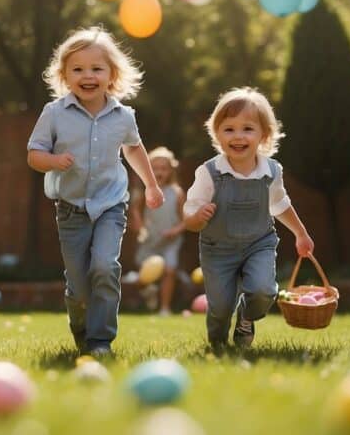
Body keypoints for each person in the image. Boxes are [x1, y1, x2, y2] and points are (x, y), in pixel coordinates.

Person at [28, 26, 164, 357]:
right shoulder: (54, 113)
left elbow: (133, 150)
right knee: (78, 286)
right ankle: (79, 323)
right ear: (64, 75)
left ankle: (101, 338)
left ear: (111, 74)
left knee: (105, 267)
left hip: (110, 205)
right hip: (71, 208)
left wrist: (151, 183)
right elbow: (33, 155)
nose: (87, 76)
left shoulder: (123, 116)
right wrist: (54, 160)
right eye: (78, 69)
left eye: (96, 68)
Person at [183, 87, 314, 349]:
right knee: (219, 307)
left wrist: (300, 233)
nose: (238, 136)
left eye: (247, 129)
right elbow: (189, 216)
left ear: (263, 135)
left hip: (259, 243)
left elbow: (279, 204)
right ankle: (218, 342)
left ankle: (246, 316)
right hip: (218, 249)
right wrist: (197, 217)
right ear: (217, 134)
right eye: (229, 129)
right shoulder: (210, 173)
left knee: (264, 290)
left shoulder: (271, 171)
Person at [130, 146, 186, 315]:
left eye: (164, 169)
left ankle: (165, 308)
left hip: (170, 241)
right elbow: (135, 210)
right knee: (143, 278)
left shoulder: (177, 193)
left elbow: (185, 220)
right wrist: (140, 225)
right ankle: (149, 291)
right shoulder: (146, 190)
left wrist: (175, 231)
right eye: (155, 168)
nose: (160, 172)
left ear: (171, 171)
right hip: (151, 239)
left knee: (169, 271)